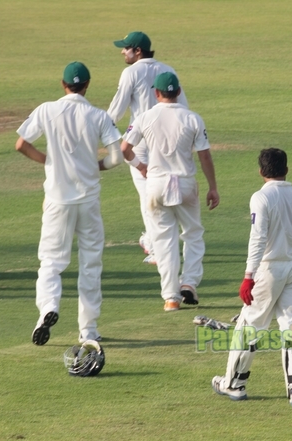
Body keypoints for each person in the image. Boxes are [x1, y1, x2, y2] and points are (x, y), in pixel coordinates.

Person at [15, 61, 123, 345]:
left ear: (63, 85)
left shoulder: (47, 109)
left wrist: (48, 161)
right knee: (90, 263)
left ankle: (48, 309)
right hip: (88, 200)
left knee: (50, 262)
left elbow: (21, 144)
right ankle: (88, 329)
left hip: (57, 200)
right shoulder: (98, 116)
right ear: (87, 86)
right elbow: (116, 158)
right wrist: (93, 165)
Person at [211, 148, 292, 405]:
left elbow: (258, 238)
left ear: (260, 171)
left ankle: (235, 384)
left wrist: (248, 275)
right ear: (286, 170)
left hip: (268, 269)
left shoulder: (260, 197)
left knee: (249, 326)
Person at [121, 72, 219, 311]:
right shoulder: (193, 118)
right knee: (193, 234)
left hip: (156, 184)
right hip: (185, 183)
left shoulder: (145, 117)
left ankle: (171, 298)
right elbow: (204, 154)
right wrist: (213, 187)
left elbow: (125, 148)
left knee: (164, 241)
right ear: (178, 92)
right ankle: (189, 282)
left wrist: (140, 165)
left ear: (156, 94)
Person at [108, 31, 188, 265]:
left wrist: (99, 131)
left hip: (140, 141)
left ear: (138, 51)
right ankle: (156, 238)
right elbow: (183, 107)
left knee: (148, 196)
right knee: (169, 191)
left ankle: (157, 246)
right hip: (168, 141)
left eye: (126, 48)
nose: (123, 51)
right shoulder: (168, 68)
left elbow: (116, 110)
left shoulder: (130, 72)